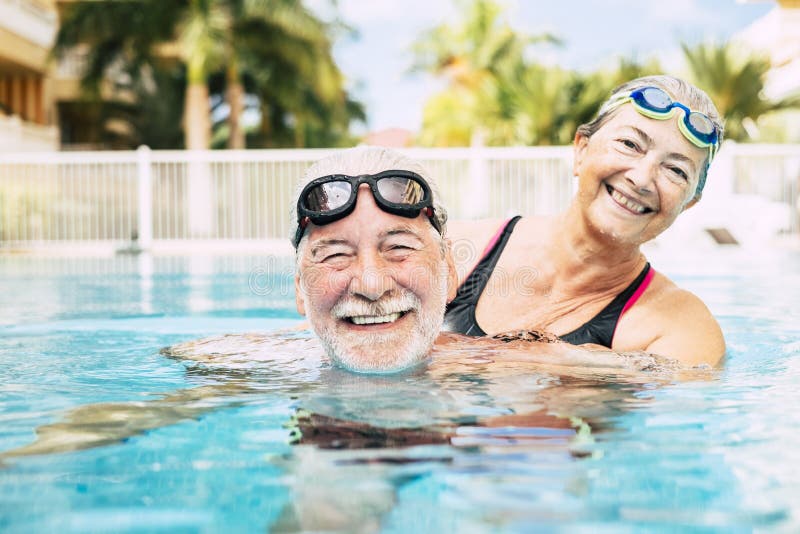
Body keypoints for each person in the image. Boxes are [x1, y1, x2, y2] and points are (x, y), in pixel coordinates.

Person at [290, 146, 677, 374]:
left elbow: (669, 376)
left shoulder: (519, 367)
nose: (371, 285)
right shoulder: (256, 368)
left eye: (399, 249)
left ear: (450, 274)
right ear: (299, 292)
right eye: (336, 255)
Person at [444, 75, 726, 366]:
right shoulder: (454, 250)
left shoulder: (683, 329)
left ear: (688, 205)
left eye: (676, 171)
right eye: (629, 144)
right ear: (581, 150)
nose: (641, 179)